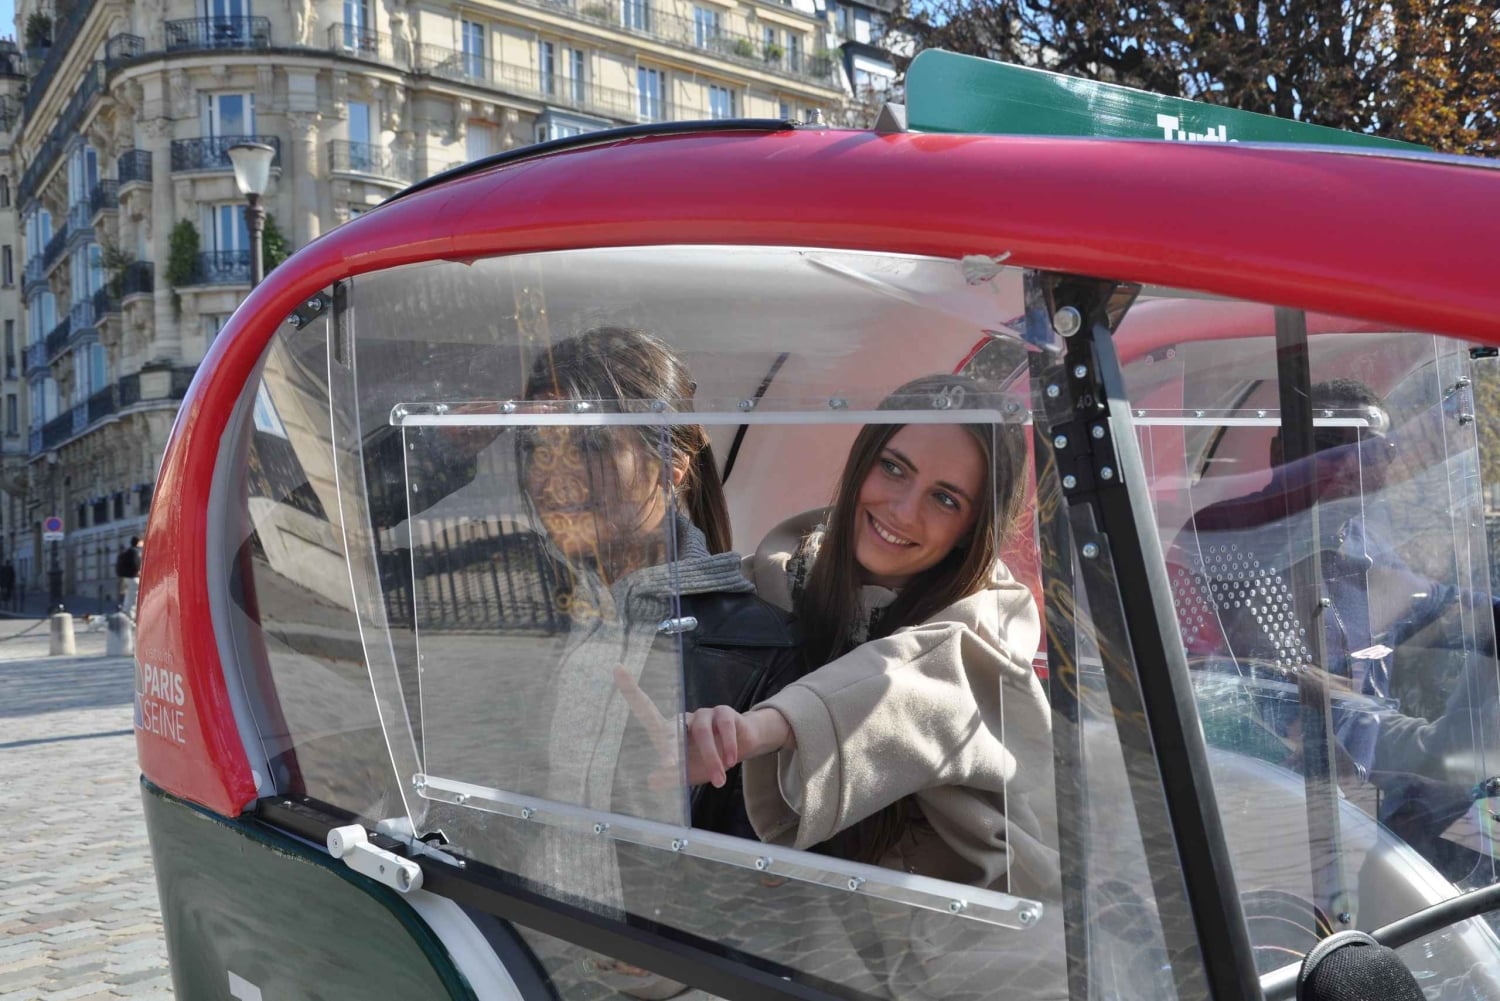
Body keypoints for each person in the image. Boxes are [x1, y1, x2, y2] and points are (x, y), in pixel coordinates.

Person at [676, 373, 1058, 898]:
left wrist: (761, 729)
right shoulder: (771, 580)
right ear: (863, 460)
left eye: (945, 499)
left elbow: (921, 680)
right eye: (893, 468)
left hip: (946, 910)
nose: (903, 511)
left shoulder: (990, 621)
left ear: (972, 528)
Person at [116, 537, 142, 620]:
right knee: (133, 597)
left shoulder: (127, 552)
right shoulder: (135, 552)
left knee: (127, 597)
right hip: (133, 577)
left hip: (125, 578)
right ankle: (132, 617)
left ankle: (126, 614)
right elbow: (136, 563)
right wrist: (138, 571)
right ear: (138, 543)